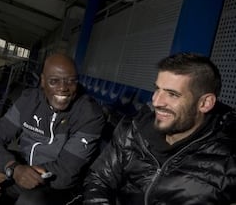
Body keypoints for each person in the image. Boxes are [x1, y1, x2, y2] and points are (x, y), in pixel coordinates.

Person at [83, 52, 236, 205]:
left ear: (205, 103)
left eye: (172, 94)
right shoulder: (132, 129)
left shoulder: (228, 162)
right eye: (157, 89)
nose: (156, 101)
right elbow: (99, 179)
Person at [0, 53, 106, 205]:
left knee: (30, 201)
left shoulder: (90, 115)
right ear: (43, 81)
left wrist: (15, 174)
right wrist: (10, 168)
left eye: (71, 81)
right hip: (19, 169)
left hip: (56, 187)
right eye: (54, 81)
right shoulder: (29, 100)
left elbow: (66, 172)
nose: (63, 88)